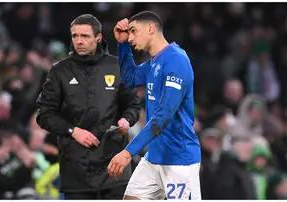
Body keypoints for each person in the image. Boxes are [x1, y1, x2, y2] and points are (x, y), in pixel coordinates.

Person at [35, 14, 141, 199]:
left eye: (84, 36)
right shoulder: (60, 71)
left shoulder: (116, 66)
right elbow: (44, 114)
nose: (79, 41)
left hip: (114, 166)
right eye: (75, 36)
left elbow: (132, 105)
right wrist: (73, 130)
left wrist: (127, 120)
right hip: (76, 171)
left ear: (98, 38)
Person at [108, 11, 202, 200]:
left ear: (151, 28)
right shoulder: (155, 62)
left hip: (179, 160)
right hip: (154, 157)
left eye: (134, 31)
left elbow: (163, 117)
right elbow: (130, 78)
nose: (131, 37)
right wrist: (123, 44)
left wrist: (128, 153)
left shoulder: (176, 60)